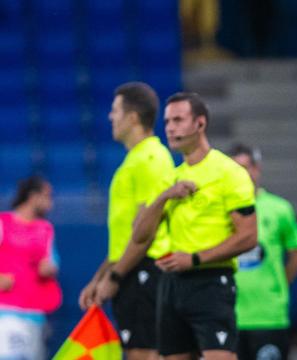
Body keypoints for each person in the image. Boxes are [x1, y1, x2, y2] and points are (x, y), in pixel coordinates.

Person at [131, 92, 257, 360]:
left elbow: (248, 237)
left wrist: (195, 259)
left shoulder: (229, 172)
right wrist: (165, 196)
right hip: (171, 285)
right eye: (167, 121)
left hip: (211, 282)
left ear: (200, 124)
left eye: (178, 120)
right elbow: (140, 236)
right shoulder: (170, 178)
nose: (170, 128)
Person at [78, 82, 175, 359]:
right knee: (135, 351)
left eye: (115, 110)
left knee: (144, 352)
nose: (111, 116)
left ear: (133, 117)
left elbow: (147, 230)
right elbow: (125, 236)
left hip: (147, 268)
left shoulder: (152, 159)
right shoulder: (135, 160)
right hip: (131, 269)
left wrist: (115, 276)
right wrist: (99, 277)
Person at [229, 143, 297, 360]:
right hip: (229, 316)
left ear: (257, 169)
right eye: (235, 170)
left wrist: (277, 285)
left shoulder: (280, 209)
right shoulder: (221, 210)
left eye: (245, 167)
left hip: (270, 316)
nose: (241, 175)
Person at [0, 176, 61, 359]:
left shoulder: (46, 229)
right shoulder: (3, 223)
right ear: (33, 197)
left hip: (36, 313)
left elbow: (53, 262)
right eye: (47, 196)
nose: (51, 202)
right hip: (7, 311)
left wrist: (49, 268)